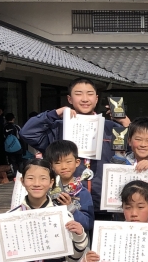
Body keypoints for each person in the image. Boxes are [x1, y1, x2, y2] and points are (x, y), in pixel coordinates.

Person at [20, 77, 131, 222]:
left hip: (105, 202)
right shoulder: (58, 127)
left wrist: (127, 124)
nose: (85, 99)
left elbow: (136, 150)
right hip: (67, 201)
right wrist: (56, 113)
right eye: (78, 94)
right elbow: (27, 133)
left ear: (96, 99)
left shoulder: (112, 128)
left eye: (90, 94)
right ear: (69, 99)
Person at [111, 117, 148, 225]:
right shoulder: (118, 164)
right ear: (129, 141)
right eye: (138, 139)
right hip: (123, 220)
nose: (143, 144)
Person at [3, 113, 27, 177]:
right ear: (13, 119)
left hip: (8, 148)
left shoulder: (4, 127)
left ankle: (15, 175)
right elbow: (21, 137)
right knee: (20, 162)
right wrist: (24, 148)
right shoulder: (16, 127)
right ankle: (21, 175)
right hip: (18, 148)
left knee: (12, 162)